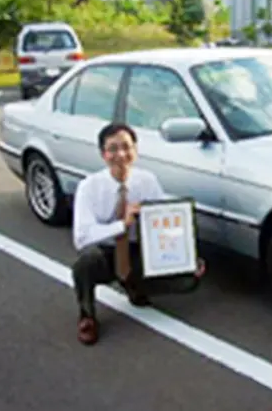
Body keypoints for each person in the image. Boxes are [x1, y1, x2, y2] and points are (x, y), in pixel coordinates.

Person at [71, 122, 206, 345]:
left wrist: (186, 256)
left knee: (189, 280)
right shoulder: (89, 187)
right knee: (85, 262)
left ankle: (134, 285)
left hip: (138, 250)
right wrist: (121, 225)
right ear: (103, 154)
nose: (120, 154)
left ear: (135, 150)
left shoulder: (147, 180)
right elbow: (81, 237)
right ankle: (87, 315)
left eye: (126, 147)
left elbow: (165, 223)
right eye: (113, 149)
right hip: (105, 252)